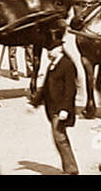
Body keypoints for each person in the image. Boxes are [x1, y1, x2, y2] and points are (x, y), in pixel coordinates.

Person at [32, 25, 78, 173]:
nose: (48, 53)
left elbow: (71, 89)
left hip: (60, 109)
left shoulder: (67, 65)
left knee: (60, 138)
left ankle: (71, 170)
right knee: (59, 138)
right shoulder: (52, 66)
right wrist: (34, 103)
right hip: (52, 108)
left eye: (50, 50)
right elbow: (45, 88)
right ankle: (69, 168)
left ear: (59, 49)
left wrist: (65, 108)